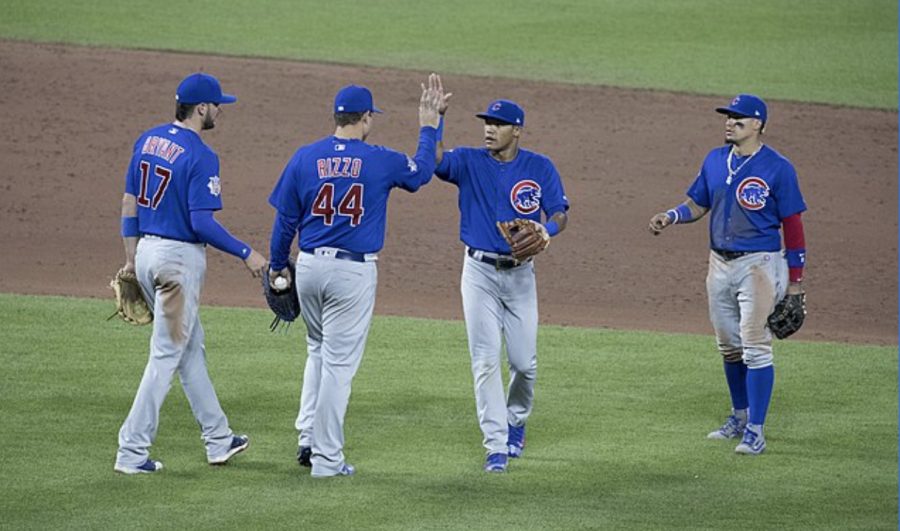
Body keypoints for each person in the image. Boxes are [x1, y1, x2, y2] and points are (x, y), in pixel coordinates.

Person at [267, 76, 444, 478]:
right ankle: (327, 460)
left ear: (336, 117)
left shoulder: (304, 157)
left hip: (309, 265)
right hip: (351, 273)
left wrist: (279, 264)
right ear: (365, 118)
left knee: (317, 349)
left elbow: (285, 220)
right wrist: (431, 125)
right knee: (339, 366)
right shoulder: (380, 159)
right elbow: (420, 174)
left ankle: (308, 437)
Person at [114, 72, 268, 474]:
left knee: (189, 350)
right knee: (166, 356)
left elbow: (130, 203)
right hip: (177, 263)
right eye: (218, 105)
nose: (220, 111)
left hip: (146, 252)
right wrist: (246, 252)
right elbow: (201, 224)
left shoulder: (147, 140)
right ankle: (131, 452)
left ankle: (219, 439)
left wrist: (131, 259)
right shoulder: (201, 155)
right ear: (201, 108)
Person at [648, 94, 807, 455]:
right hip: (718, 263)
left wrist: (795, 284)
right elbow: (698, 203)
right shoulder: (715, 160)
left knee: (755, 346)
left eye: (738, 118)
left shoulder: (778, 168)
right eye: (728, 117)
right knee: (728, 346)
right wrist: (670, 216)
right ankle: (739, 415)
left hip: (759, 265)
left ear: (758, 125)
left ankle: (756, 430)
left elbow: (794, 229)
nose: (729, 122)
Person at [435, 95, 570, 472]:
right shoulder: (468, 161)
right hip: (478, 273)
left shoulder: (539, 167)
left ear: (517, 130)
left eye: (497, 124)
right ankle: (495, 445)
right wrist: (435, 123)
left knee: (524, 364)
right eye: (486, 123)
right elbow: (435, 161)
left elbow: (560, 212)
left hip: (520, 276)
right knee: (484, 361)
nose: (489, 129)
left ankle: (515, 421)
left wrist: (548, 229)